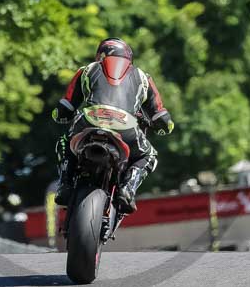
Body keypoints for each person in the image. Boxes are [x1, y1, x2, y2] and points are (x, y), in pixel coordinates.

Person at [52, 38, 174, 213]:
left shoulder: (86, 69)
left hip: (88, 121)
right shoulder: (143, 77)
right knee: (149, 155)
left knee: (64, 143)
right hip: (126, 127)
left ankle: (65, 184)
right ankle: (127, 189)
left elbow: (66, 107)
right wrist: (166, 127)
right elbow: (160, 115)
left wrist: (57, 115)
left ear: (101, 54)